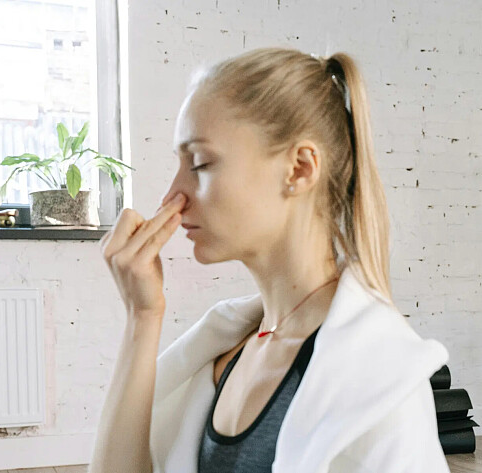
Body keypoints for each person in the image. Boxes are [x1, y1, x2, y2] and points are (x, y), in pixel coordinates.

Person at [89, 48, 450, 473]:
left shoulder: (381, 377)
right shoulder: (225, 353)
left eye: (200, 163)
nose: (172, 196)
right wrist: (142, 315)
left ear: (299, 169)